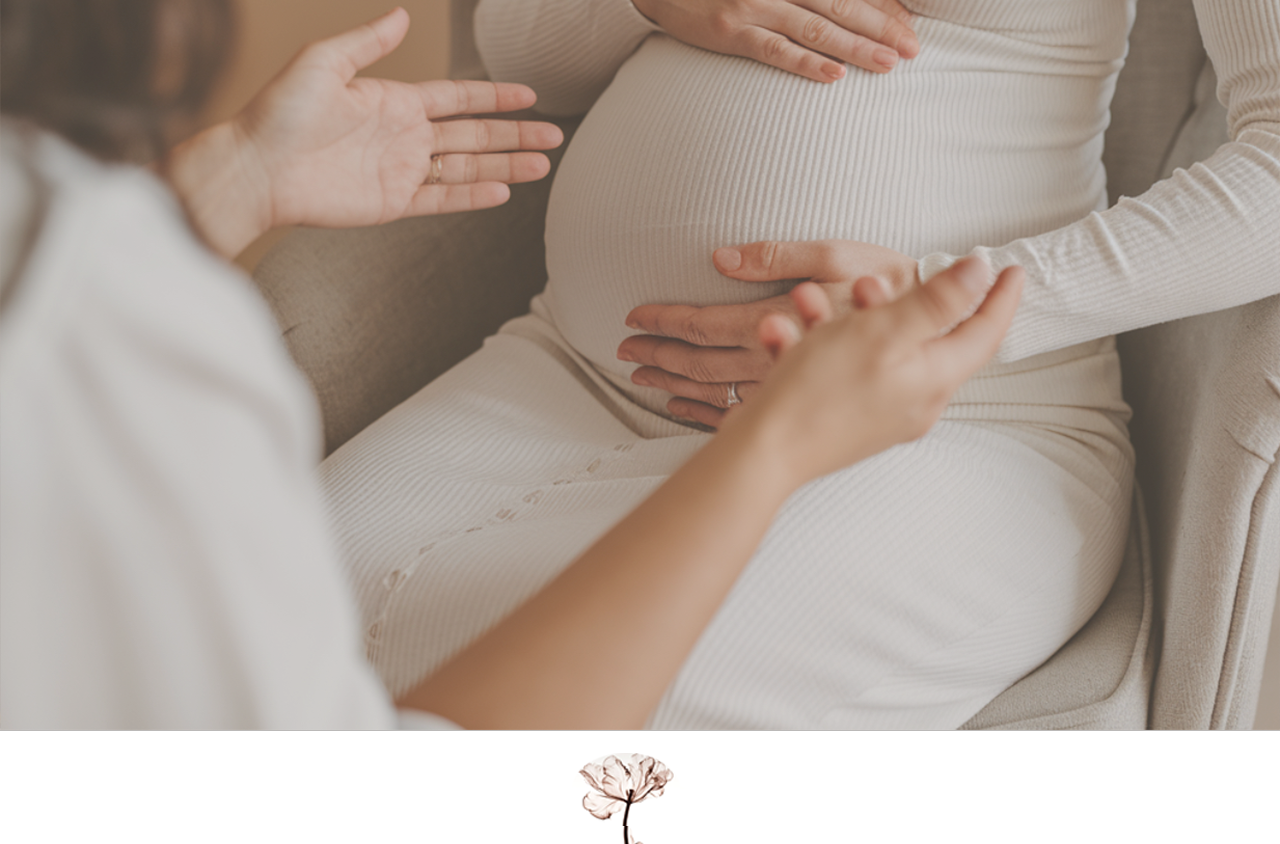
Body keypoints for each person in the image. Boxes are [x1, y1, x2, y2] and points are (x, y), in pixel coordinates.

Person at [0, 1, 1021, 728]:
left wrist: (230, 182)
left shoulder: (96, 289)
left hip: (950, 412)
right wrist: (775, 448)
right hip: (590, 375)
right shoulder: (118, 322)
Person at [313, 0, 1279, 729]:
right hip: (570, 378)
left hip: (955, 424)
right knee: (266, 613)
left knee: (618, 739)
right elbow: (515, 47)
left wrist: (937, 307)